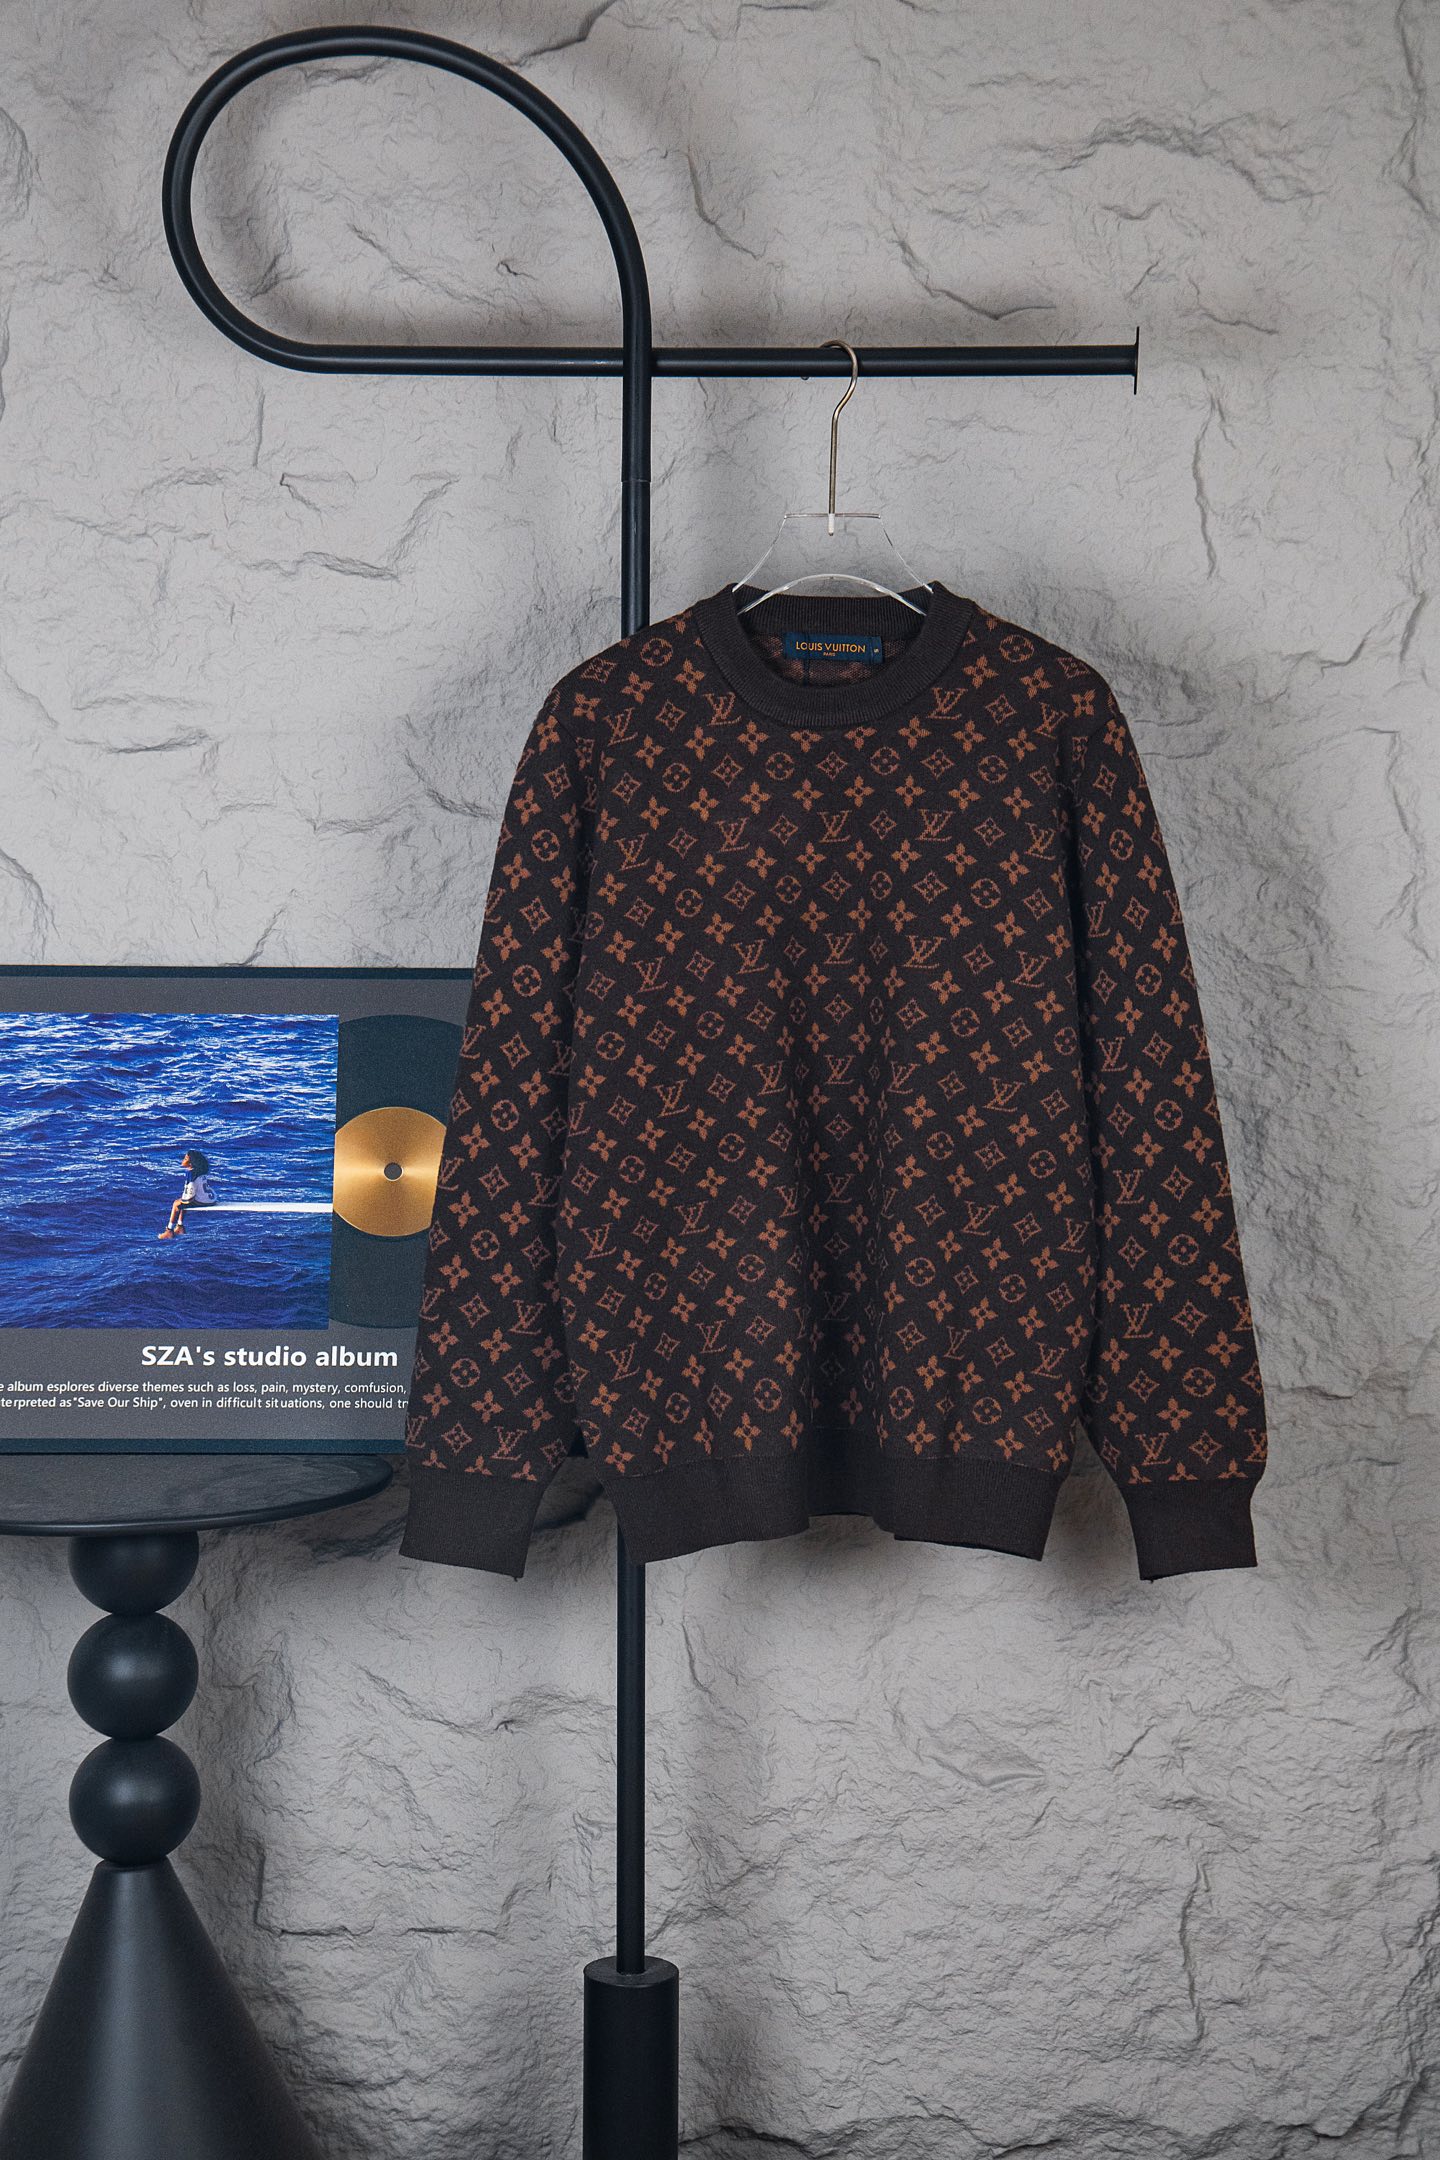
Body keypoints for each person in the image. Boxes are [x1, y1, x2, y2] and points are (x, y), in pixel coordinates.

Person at [158, 1149, 216, 1240]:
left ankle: (169, 1230)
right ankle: (180, 1226)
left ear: (191, 1164)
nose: (183, 1160)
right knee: (181, 1201)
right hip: (211, 1199)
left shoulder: (191, 1173)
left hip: (203, 1201)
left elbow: (190, 1191)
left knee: (176, 1204)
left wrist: (184, 1201)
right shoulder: (199, 1171)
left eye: (185, 1159)